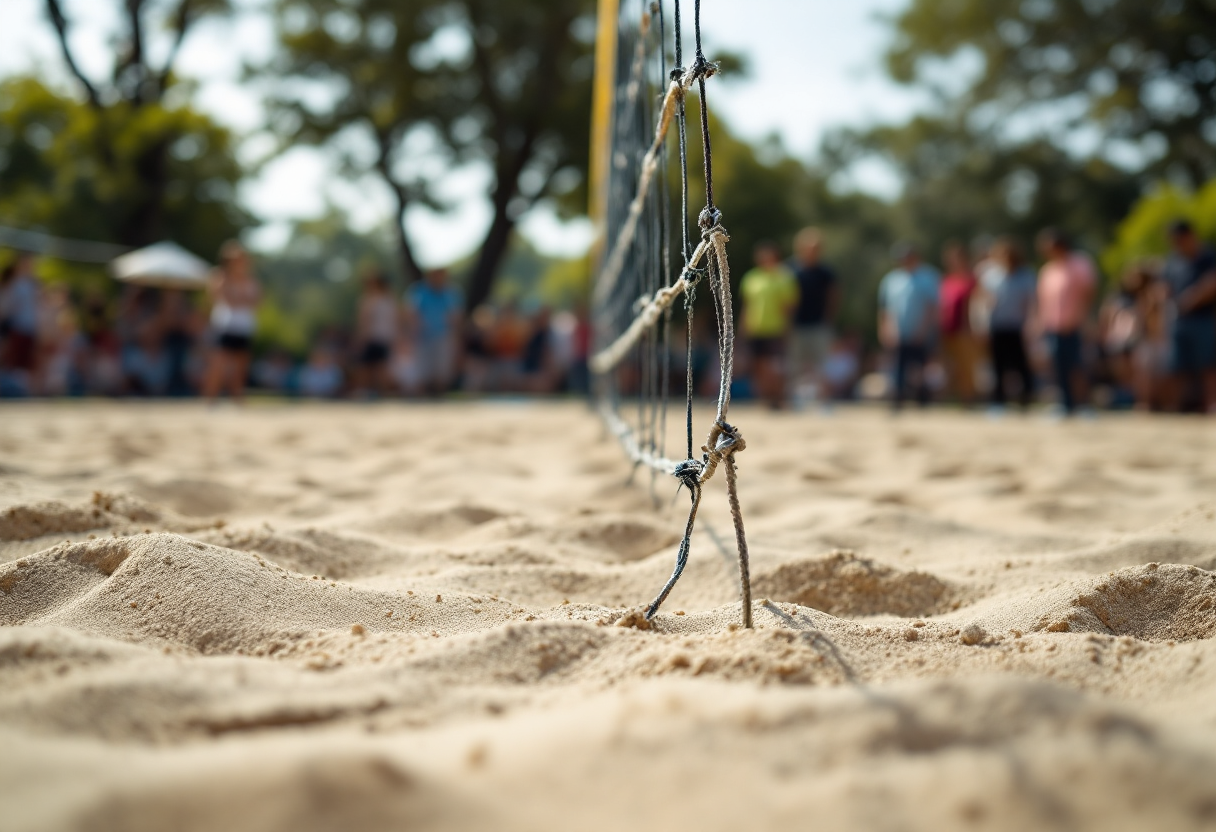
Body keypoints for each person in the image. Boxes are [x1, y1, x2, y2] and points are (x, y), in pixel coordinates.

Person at [1036, 228, 1097, 416]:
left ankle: (1084, 405)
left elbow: (1089, 293)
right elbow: (1043, 301)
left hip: (1076, 326)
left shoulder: (1080, 264)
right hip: (1054, 327)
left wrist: (1083, 317)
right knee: (1059, 367)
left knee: (1078, 366)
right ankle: (1066, 404)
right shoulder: (1048, 270)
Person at [1162, 219, 1216, 413]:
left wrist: (1192, 299)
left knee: (1209, 364)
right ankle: (1178, 408)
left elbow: (1212, 283)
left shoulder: (1208, 257)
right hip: (1178, 321)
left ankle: (1212, 404)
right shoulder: (1173, 262)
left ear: (1189, 236)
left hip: (1203, 319)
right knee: (1177, 366)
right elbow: (1165, 288)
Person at [878, 243, 940, 410]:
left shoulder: (929, 277)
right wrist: (886, 329)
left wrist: (924, 329)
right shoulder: (891, 279)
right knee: (898, 367)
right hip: (898, 332)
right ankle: (898, 400)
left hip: (921, 331)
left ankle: (922, 400)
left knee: (921, 368)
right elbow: (885, 308)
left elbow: (932, 306)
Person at [740, 240, 799, 408]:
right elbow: (747, 305)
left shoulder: (784, 277)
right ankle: (765, 398)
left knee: (775, 366)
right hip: (756, 328)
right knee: (758, 365)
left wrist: (787, 328)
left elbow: (789, 306)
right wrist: (743, 328)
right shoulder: (751, 277)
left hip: (776, 329)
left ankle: (778, 397)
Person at [980, 237, 1037, 410]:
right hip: (996, 326)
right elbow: (982, 301)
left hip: (1018, 327)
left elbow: (1031, 302)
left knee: (1021, 364)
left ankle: (1026, 398)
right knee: (998, 365)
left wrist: (1031, 324)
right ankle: (998, 400)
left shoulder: (1026, 275)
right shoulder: (990, 275)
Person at [202, 240, 261, 403]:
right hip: (225, 326)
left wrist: (240, 298)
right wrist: (243, 299)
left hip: (244, 327)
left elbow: (256, 301)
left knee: (241, 366)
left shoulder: (250, 280)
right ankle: (210, 399)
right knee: (218, 364)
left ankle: (238, 399)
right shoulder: (220, 276)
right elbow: (224, 298)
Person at [788, 227, 837, 407]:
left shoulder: (826, 272)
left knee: (822, 366)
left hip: (818, 325)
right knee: (794, 365)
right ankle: (794, 401)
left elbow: (833, 297)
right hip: (795, 325)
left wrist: (828, 320)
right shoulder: (790, 269)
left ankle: (824, 402)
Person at [407, 267, 462, 396]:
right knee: (422, 371)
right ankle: (423, 398)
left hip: (443, 336)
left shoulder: (451, 292)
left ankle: (440, 397)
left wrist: (456, 337)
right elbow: (412, 313)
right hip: (423, 337)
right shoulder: (419, 291)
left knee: (442, 371)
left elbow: (455, 316)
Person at [938, 241, 978, 405]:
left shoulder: (972, 280)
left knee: (966, 367)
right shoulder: (946, 281)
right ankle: (951, 398)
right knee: (949, 366)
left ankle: (968, 399)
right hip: (947, 330)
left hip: (966, 331)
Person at [0, 252, 42, 395]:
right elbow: (8, 307)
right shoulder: (15, 284)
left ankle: (24, 390)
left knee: (27, 361)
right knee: (14, 360)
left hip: (30, 327)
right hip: (17, 326)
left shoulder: (33, 284)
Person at [353, 270, 399, 397]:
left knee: (378, 367)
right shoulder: (383, 300)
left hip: (380, 338)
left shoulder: (382, 300)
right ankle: (369, 391)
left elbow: (365, 321)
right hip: (374, 338)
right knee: (368, 367)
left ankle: (379, 392)